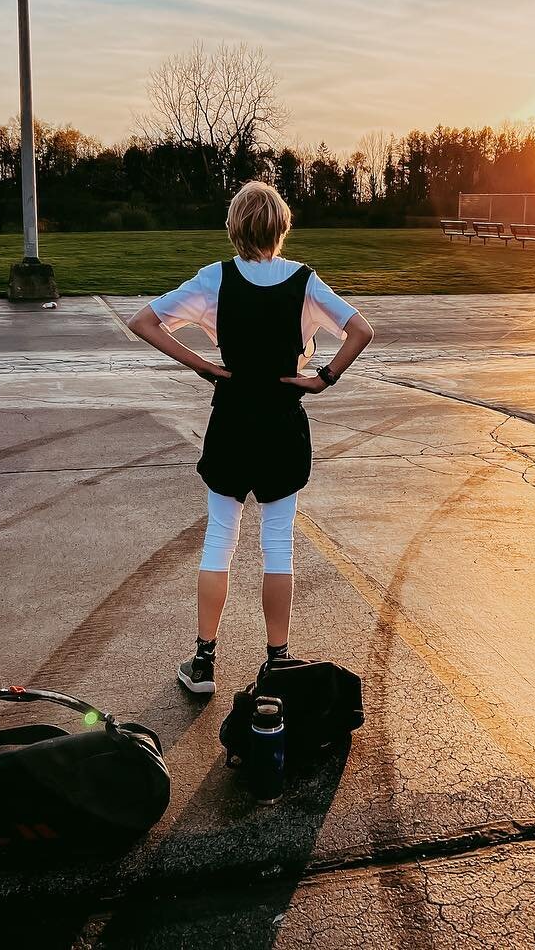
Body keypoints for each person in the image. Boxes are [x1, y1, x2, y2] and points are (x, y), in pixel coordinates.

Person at [128, 181, 375, 695]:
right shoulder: (304, 281)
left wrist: (205, 366)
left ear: (235, 227)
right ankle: (277, 660)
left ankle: (203, 661)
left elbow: (144, 322)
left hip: (233, 420)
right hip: (283, 422)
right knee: (277, 546)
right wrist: (322, 377)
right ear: (281, 228)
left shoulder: (214, 279)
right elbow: (361, 331)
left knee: (220, 540)